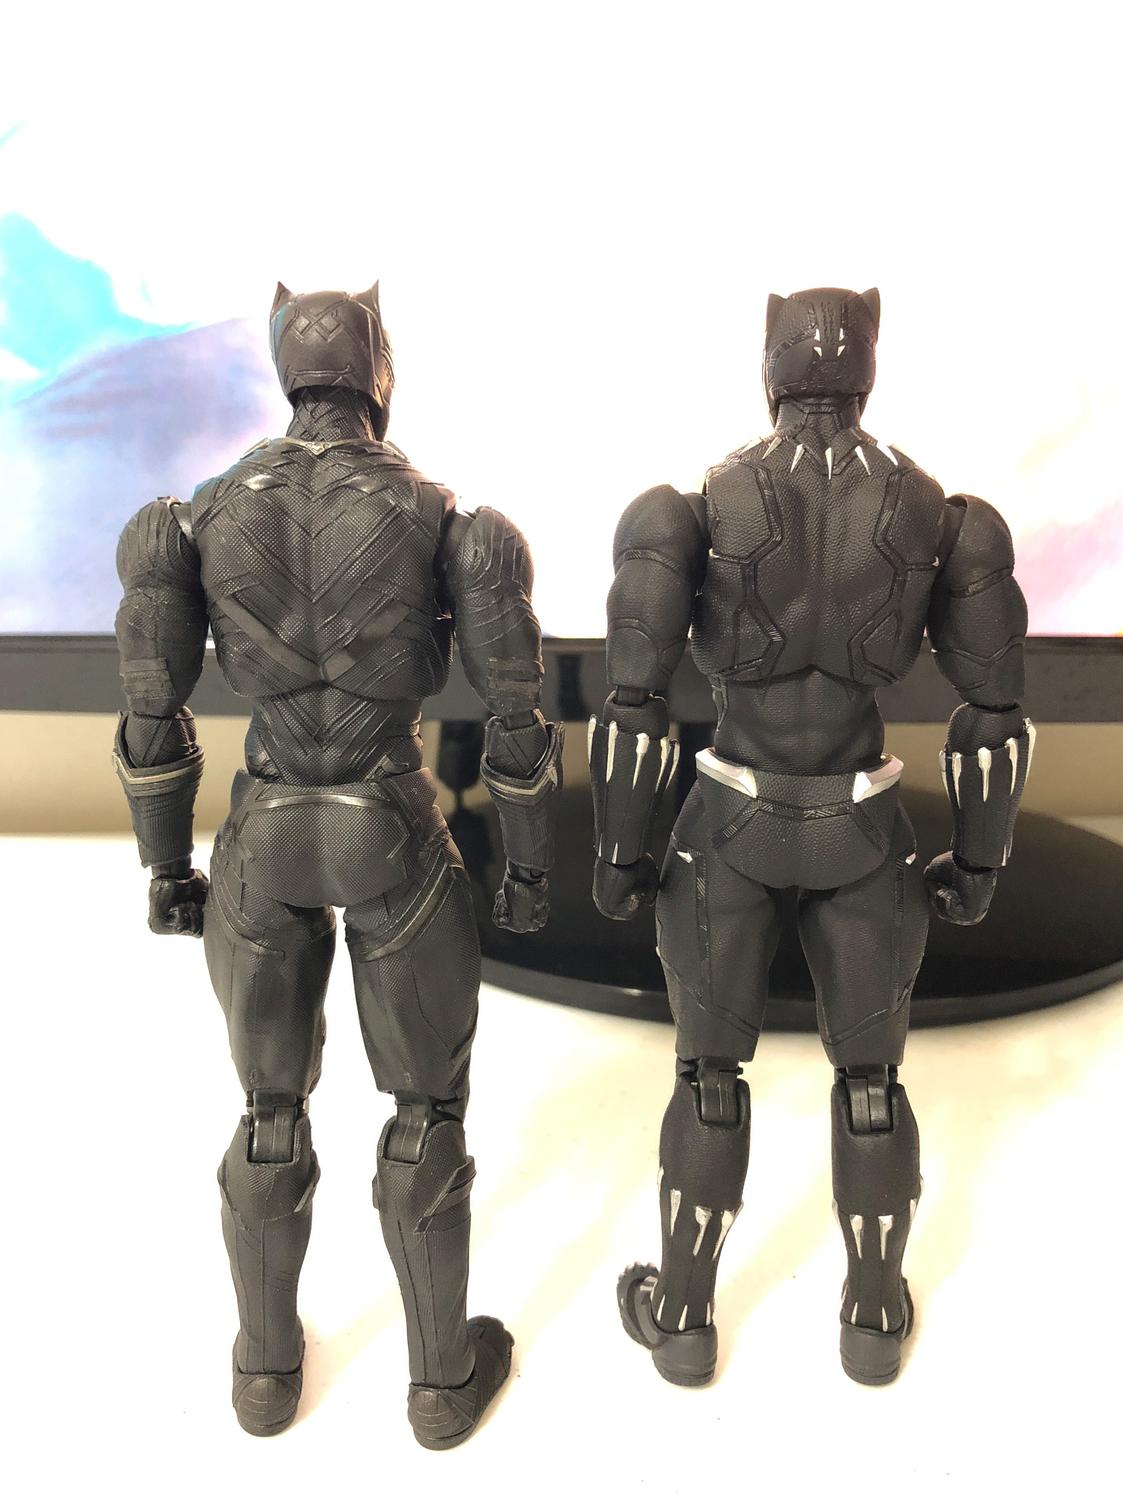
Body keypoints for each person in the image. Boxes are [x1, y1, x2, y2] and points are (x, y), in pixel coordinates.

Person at [113, 282, 563, 1445]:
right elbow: (517, 716)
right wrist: (528, 868)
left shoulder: (197, 518)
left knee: (268, 1112)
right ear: (378, 370)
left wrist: (165, 868)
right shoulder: (449, 521)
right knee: (424, 1111)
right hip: (389, 825)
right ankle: (438, 1385)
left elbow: (154, 708)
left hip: (263, 834)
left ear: (287, 371)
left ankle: (264, 1376)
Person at [591, 287, 1032, 1387]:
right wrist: (980, 863)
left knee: (708, 1074)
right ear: (867, 362)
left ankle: (683, 1322)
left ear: (770, 360)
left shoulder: (692, 509)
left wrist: (619, 858)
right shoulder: (939, 516)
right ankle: (872, 1324)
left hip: (731, 821)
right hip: (859, 823)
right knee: (870, 1083)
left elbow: (634, 707)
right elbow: (993, 715)